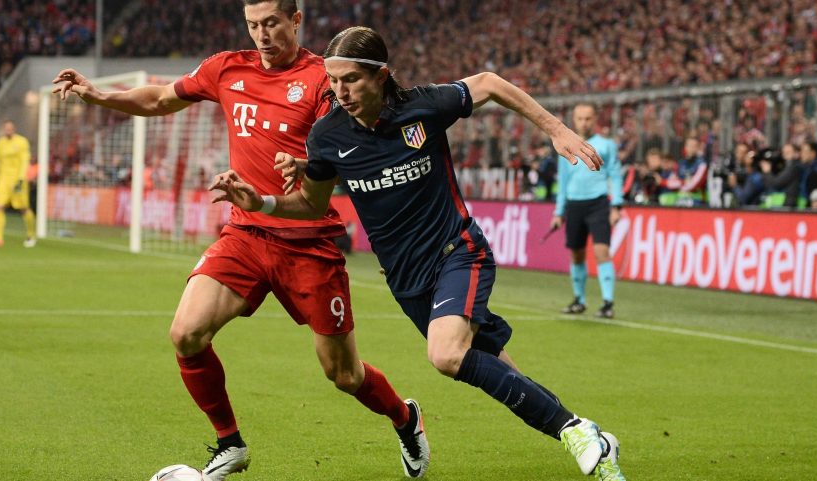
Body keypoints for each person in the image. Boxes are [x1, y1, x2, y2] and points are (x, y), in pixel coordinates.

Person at [211, 26, 626, 481]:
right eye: (332, 80)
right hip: (405, 279)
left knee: (446, 355)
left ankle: (576, 430)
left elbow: (488, 82)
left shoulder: (423, 107)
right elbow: (311, 203)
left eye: (350, 79)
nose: (339, 91)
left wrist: (556, 129)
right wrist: (262, 203)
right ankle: (592, 440)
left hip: (457, 252)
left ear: (382, 75)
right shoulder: (327, 136)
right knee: (502, 372)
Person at [51, 4, 427, 480]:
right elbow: (161, 99)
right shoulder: (227, 68)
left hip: (307, 243)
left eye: (272, 23)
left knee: (344, 375)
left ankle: (405, 417)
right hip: (245, 235)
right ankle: (230, 444)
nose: (262, 34)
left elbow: (352, 147)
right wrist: (99, 96)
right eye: (253, 24)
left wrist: (310, 170)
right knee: (186, 333)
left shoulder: (322, 79)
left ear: (296, 19)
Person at [549, 103, 622, 319]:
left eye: (588, 118)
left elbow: (615, 176)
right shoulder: (565, 145)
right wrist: (559, 212)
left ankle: (607, 302)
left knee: (601, 252)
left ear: (595, 119)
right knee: (577, 254)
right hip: (574, 204)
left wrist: (616, 205)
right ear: (574, 119)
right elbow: (563, 181)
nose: (584, 122)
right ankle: (579, 300)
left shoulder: (606, 145)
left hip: (598, 203)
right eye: (580, 118)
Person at [0, 120, 36, 248]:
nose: (8, 131)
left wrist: (20, 179)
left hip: (18, 181)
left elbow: (25, 160)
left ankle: (31, 234)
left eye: (10, 128)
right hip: (3, 180)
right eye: (6, 129)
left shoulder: (21, 142)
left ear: (14, 129)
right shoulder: (0, 143)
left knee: (24, 209)